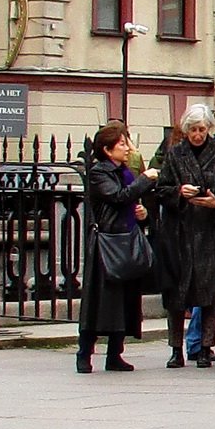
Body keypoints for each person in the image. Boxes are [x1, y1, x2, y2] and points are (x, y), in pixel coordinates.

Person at [154, 105, 215, 368]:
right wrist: (179, 192)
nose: (197, 135)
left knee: (210, 294)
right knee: (175, 295)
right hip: (179, 233)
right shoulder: (175, 154)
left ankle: (205, 347)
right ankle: (176, 348)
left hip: (209, 233)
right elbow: (161, 188)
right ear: (185, 130)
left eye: (202, 129)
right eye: (192, 130)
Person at [77, 123, 157, 374]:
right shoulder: (100, 172)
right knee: (100, 301)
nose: (126, 148)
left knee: (125, 300)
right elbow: (118, 196)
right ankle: (85, 353)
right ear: (107, 149)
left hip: (127, 239)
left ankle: (115, 353)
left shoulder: (124, 172)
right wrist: (145, 180)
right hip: (107, 244)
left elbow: (131, 200)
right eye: (121, 144)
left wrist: (143, 214)